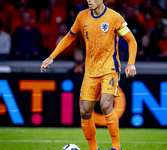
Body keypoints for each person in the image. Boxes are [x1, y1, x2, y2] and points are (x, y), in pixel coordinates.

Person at [40, 0, 137, 150]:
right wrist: (52, 56)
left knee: (105, 105)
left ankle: (116, 147)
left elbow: (131, 40)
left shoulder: (114, 17)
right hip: (90, 71)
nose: (89, 1)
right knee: (84, 111)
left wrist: (130, 63)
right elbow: (69, 37)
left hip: (109, 69)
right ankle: (93, 148)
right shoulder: (82, 17)